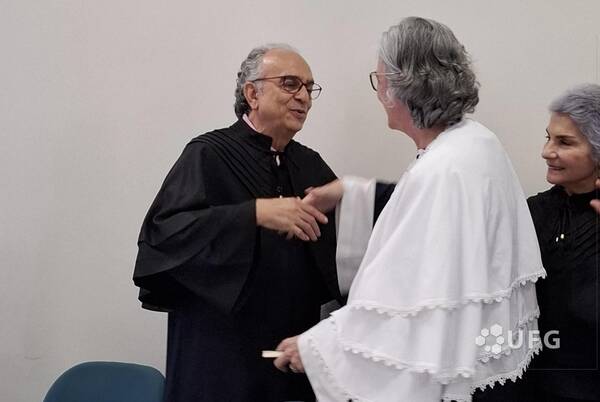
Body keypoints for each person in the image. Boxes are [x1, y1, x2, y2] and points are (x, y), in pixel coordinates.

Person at [274, 17, 546, 401]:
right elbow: (421, 206)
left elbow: (405, 296)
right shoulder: (475, 142)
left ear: (404, 85)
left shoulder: (444, 167)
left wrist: (318, 347)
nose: (378, 92)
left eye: (380, 79)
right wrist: (352, 191)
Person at [132, 44, 342, 402]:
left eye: (309, 88)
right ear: (252, 94)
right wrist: (254, 214)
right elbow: (163, 235)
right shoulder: (208, 153)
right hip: (219, 354)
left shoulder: (311, 166)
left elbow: (343, 255)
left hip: (289, 351)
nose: (304, 97)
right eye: (290, 84)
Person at [487, 84, 599, 402]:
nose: (547, 151)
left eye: (565, 142)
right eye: (548, 137)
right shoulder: (534, 211)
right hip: (534, 384)